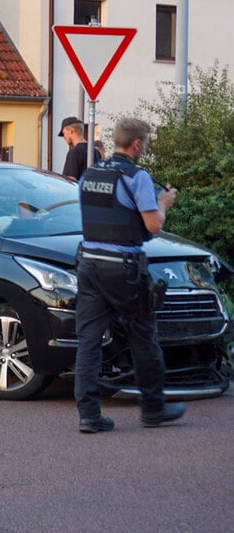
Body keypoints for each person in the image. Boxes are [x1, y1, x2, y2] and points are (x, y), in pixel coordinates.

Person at [74, 117, 185, 433]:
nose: (145, 149)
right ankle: (153, 409)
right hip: (123, 268)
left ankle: (89, 416)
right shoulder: (137, 178)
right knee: (143, 336)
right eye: (145, 144)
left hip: (89, 264)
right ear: (136, 144)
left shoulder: (89, 174)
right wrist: (162, 202)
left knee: (89, 342)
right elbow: (153, 225)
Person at [59, 116, 101, 180]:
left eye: (64, 133)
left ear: (71, 131)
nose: (64, 137)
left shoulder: (74, 153)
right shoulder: (96, 152)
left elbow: (70, 180)